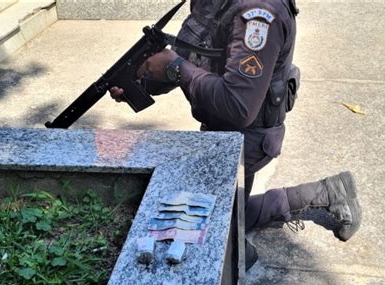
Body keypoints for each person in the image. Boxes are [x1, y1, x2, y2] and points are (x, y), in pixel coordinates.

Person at [110, 0, 361, 269]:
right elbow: (195, 55)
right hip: (219, 129)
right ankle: (329, 191)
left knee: (200, 238)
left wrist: (175, 67)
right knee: (199, 219)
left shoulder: (260, 13)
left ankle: (320, 195)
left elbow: (238, 106)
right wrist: (144, 77)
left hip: (247, 140)